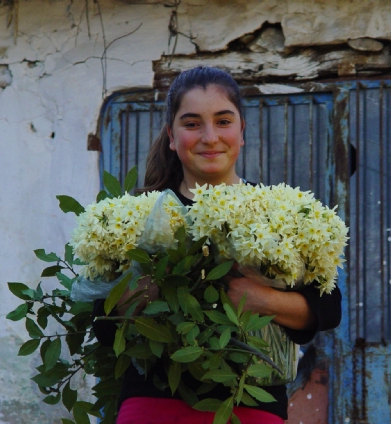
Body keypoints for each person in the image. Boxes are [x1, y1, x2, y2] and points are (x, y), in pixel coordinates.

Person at [93, 66, 342, 424]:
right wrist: (136, 295)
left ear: (241, 132)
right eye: (192, 124)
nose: (210, 137)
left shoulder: (280, 214)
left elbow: (329, 309)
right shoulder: (137, 216)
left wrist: (261, 300)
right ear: (172, 137)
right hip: (154, 405)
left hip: (251, 406)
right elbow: (102, 325)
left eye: (223, 121)